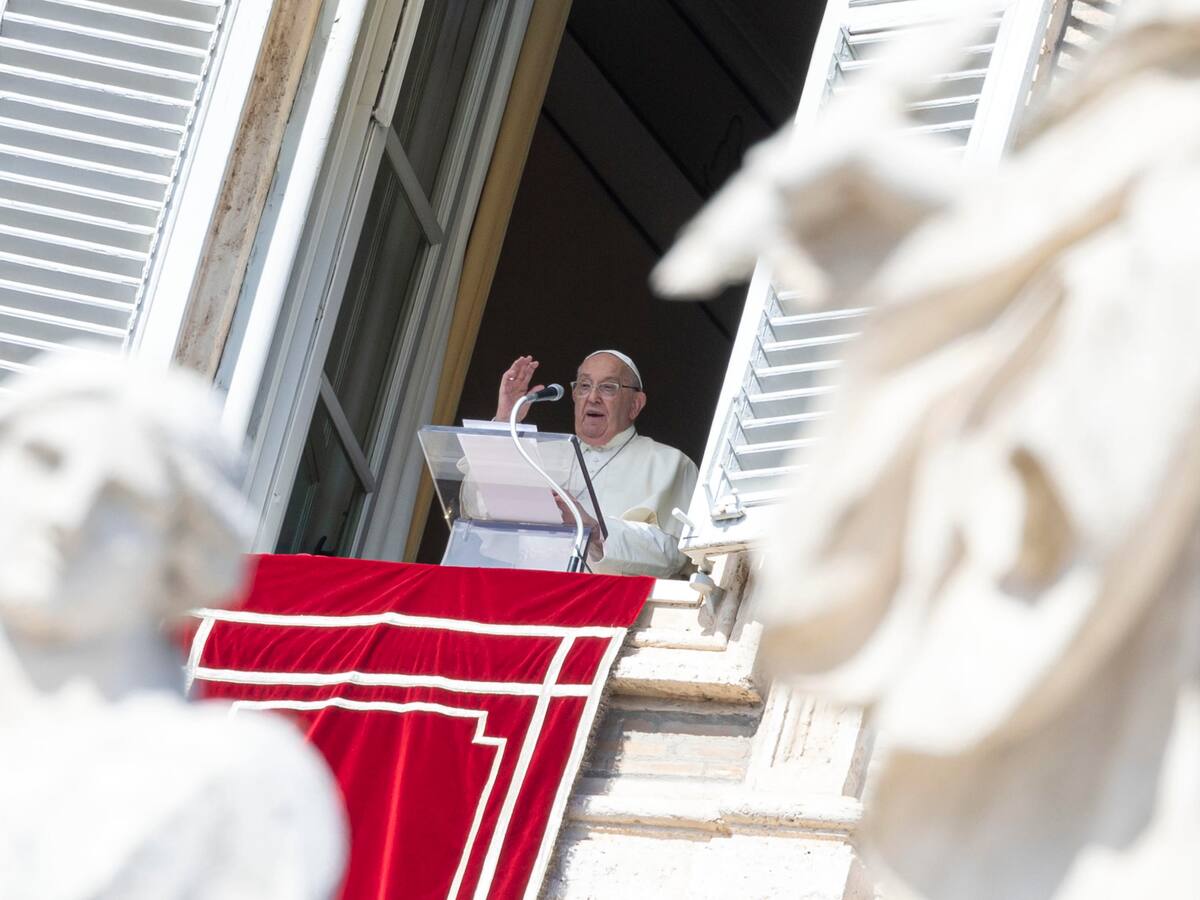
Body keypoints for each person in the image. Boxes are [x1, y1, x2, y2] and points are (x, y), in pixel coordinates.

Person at [495, 350, 698, 578]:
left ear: (635, 404)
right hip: (529, 589)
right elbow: (477, 506)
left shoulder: (670, 463)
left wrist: (594, 531)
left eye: (608, 387)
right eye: (584, 386)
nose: (592, 397)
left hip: (613, 598)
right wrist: (504, 421)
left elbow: (676, 554)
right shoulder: (537, 454)